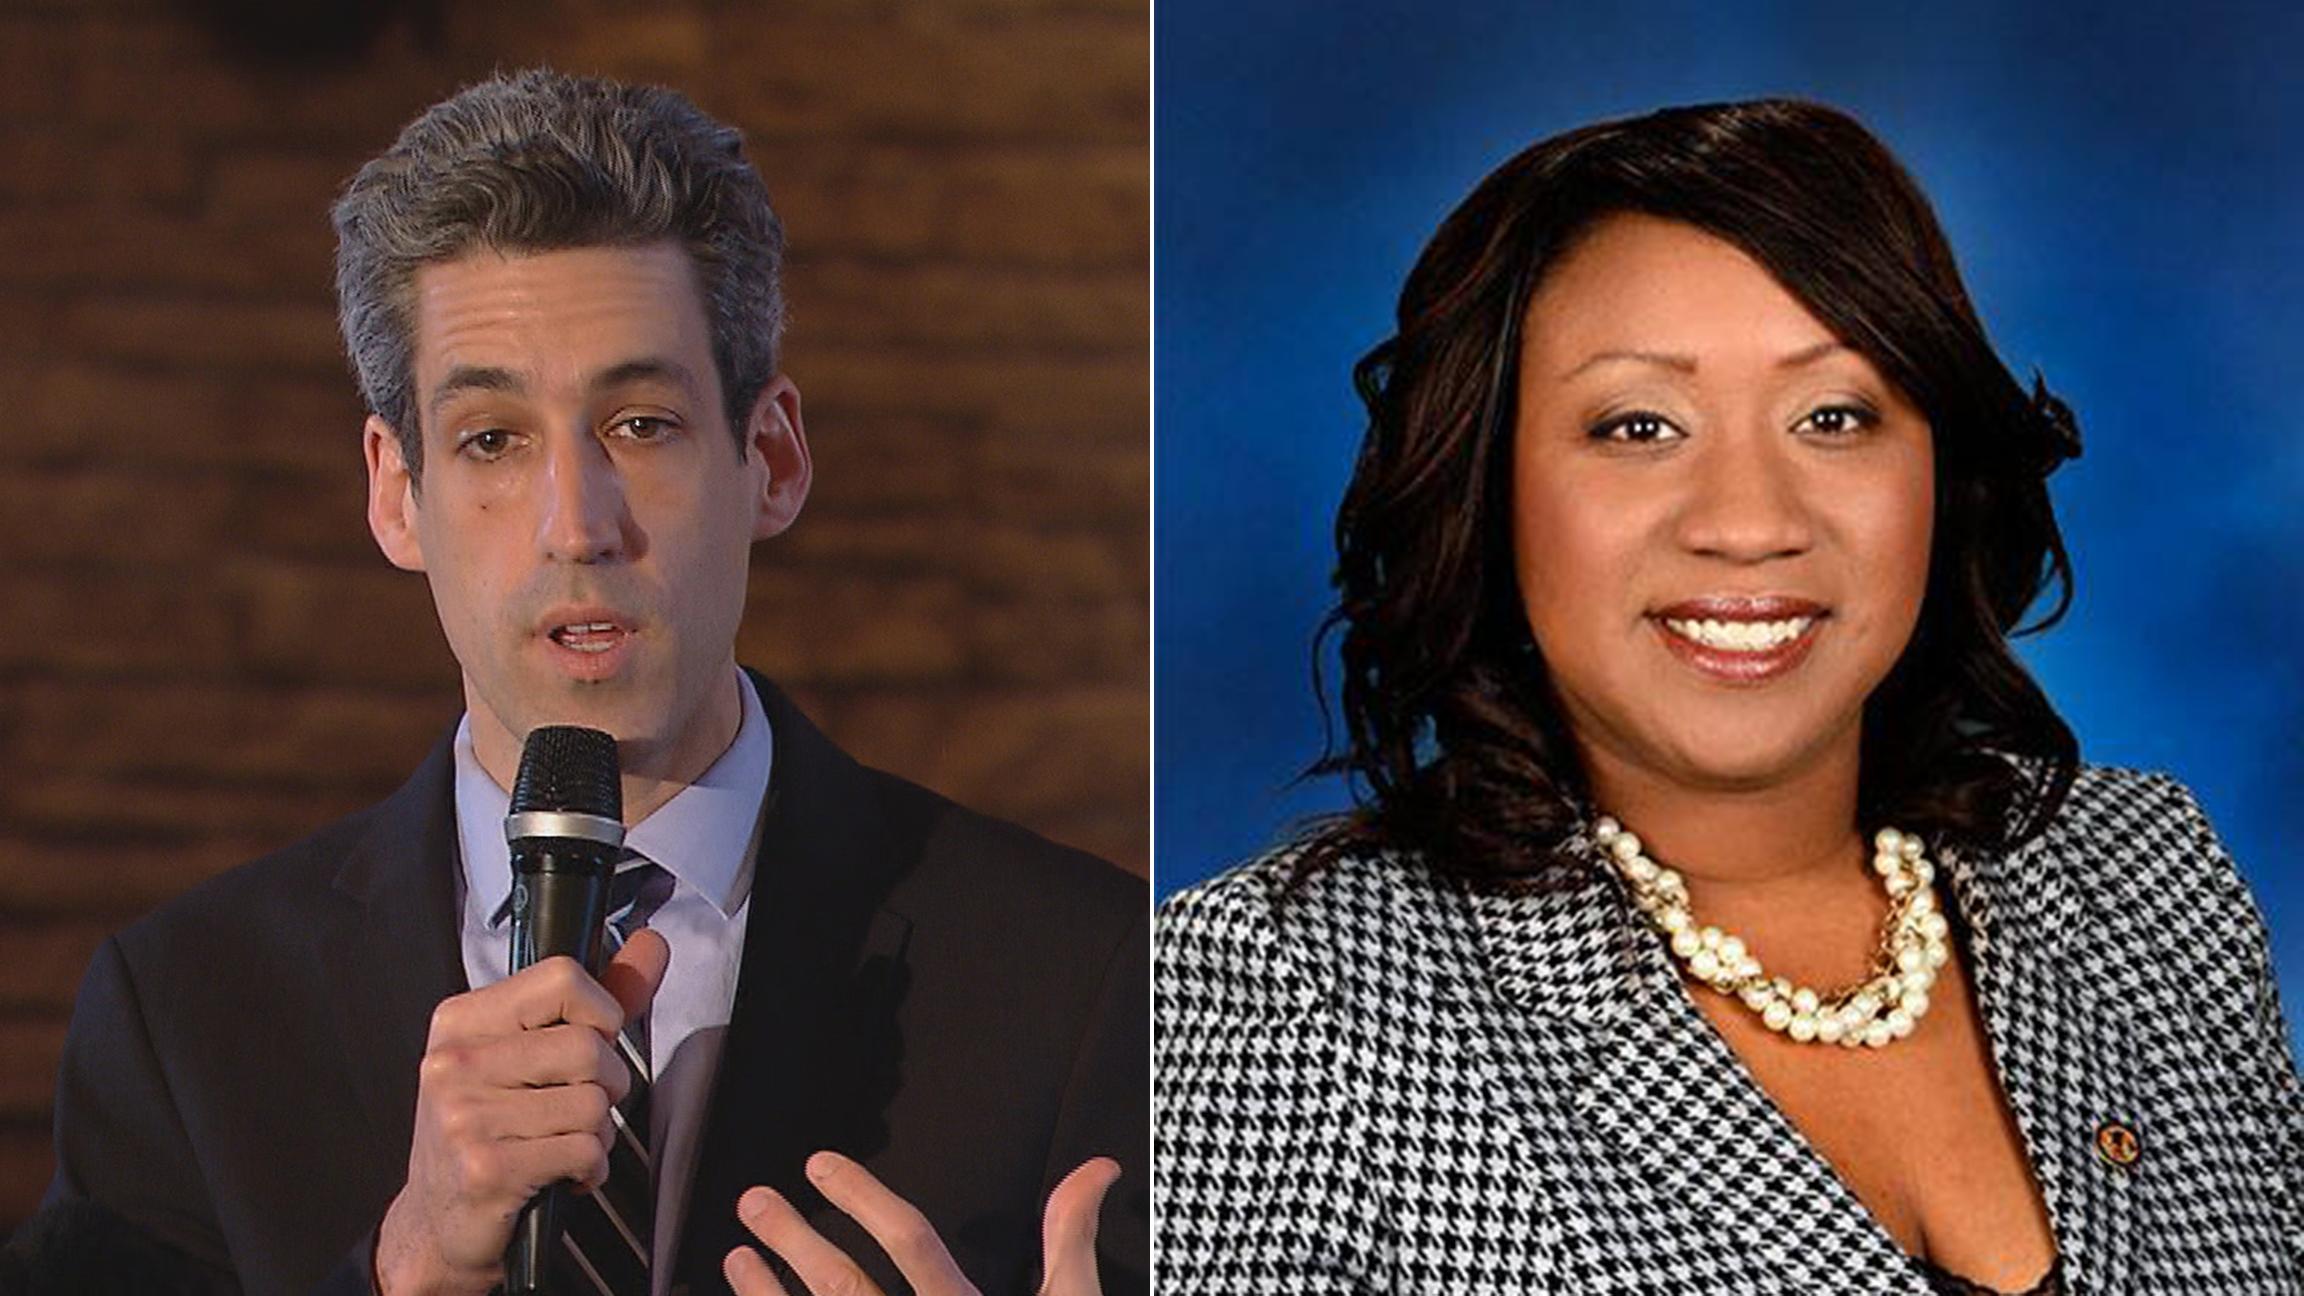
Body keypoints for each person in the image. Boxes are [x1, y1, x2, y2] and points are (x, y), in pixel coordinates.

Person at [1154, 99, 2300, 1293]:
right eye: (1639, 425)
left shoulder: (2145, 879)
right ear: (1489, 491)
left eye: (1835, 417)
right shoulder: (1281, 1001)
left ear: (1940, 471)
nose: (1750, 524)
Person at [39, 69, 1145, 1296]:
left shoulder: (1093, 981)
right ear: (396, 494)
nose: (576, 525)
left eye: (640, 425)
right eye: (493, 442)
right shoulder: (186, 1013)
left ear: (769, 458)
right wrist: (399, 1272)